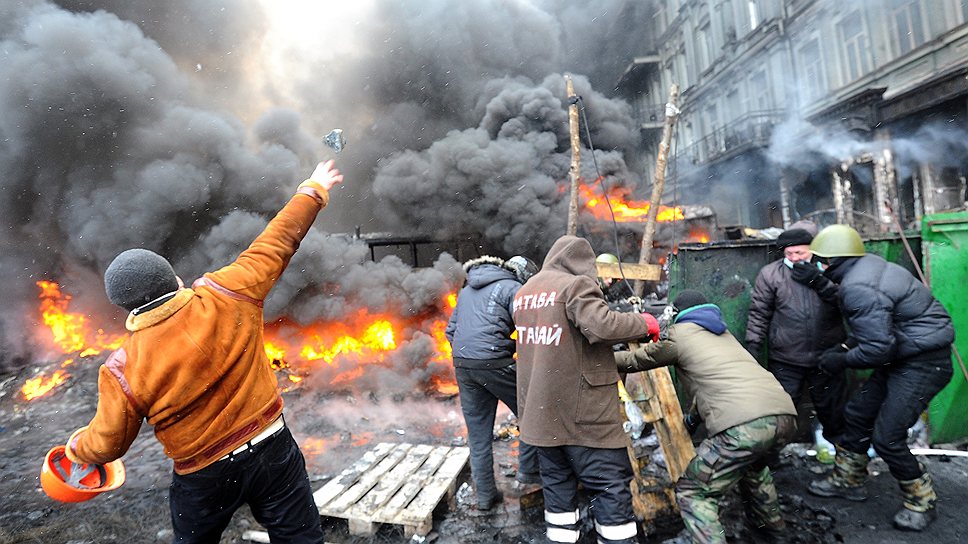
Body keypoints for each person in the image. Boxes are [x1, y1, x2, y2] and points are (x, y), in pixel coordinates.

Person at [62, 160, 345, 543]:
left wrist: (77, 448)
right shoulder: (228, 293)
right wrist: (312, 189)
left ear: (126, 307)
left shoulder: (123, 367)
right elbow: (276, 243)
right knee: (300, 538)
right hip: (272, 447)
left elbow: (109, 443)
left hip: (204, 474)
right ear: (172, 278)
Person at [616, 290, 797, 544]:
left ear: (678, 314)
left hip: (743, 425)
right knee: (754, 471)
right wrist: (692, 420)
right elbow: (718, 387)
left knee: (693, 492)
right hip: (783, 416)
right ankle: (774, 537)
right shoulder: (724, 335)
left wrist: (601, 360)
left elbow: (639, 358)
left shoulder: (679, 335)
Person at [804, 224, 954, 531]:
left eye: (821, 261)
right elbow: (875, 329)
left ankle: (921, 501)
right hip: (905, 355)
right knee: (858, 413)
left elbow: (878, 349)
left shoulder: (857, 286)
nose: (817, 266)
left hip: (923, 363)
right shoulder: (867, 266)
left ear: (836, 261)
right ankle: (849, 479)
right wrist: (846, 346)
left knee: (887, 438)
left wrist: (840, 360)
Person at [512, 235, 658, 544]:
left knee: (559, 496)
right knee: (610, 490)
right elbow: (601, 325)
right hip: (585, 417)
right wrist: (644, 322)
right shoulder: (575, 285)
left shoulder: (525, 292)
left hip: (541, 418)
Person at [444, 254, 541, 511]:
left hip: (464, 365)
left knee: (478, 436)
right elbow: (529, 328)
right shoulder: (514, 288)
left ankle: (486, 497)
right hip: (495, 362)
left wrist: (470, 356)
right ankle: (529, 475)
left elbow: (450, 331)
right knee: (532, 412)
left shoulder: (466, 290)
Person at [746, 221, 847, 448]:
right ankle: (770, 462)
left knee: (833, 412)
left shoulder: (830, 270)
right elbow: (759, 312)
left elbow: (845, 301)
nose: (794, 257)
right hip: (787, 357)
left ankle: (844, 465)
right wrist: (753, 344)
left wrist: (819, 282)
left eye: (800, 252)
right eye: (789, 253)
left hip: (827, 356)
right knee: (780, 412)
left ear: (812, 249)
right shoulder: (771, 274)